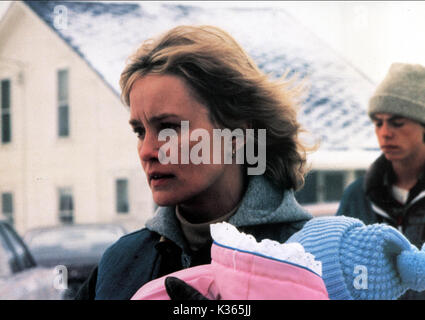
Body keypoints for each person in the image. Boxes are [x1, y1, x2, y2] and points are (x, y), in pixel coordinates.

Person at [75, 25, 315, 300]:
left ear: (237, 134)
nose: (148, 150)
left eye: (169, 128)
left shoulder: (312, 255)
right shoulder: (121, 263)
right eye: (140, 131)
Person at [336, 62, 425, 299]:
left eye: (397, 123)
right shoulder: (357, 195)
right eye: (378, 122)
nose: (385, 132)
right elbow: (338, 272)